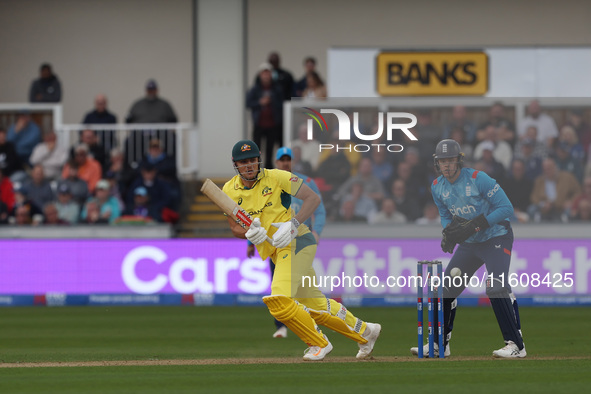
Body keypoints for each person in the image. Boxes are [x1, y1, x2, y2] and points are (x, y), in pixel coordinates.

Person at [224, 140, 380, 361]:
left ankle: (318, 343)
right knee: (315, 306)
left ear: (258, 160)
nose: (249, 166)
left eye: (252, 160)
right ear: (235, 164)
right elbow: (234, 226)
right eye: (243, 162)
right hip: (276, 251)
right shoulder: (229, 190)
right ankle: (365, 331)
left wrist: (294, 224)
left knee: (278, 299)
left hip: (298, 241)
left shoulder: (277, 176)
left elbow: (313, 198)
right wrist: (248, 233)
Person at [411, 139, 526, 358]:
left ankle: (516, 346)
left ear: (459, 161)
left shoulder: (477, 178)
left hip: (496, 237)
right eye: (442, 161)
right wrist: (449, 232)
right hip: (469, 244)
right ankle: (438, 344)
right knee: (445, 290)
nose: (446, 165)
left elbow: (506, 208)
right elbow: (446, 215)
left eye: (450, 160)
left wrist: (477, 224)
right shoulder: (437, 186)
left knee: (495, 287)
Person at [247, 146, 326, 339]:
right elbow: (257, 216)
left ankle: (312, 324)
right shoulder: (267, 183)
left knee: (304, 287)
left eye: (288, 160)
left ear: (293, 162)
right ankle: (281, 326)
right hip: (275, 243)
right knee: (279, 285)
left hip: (300, 241)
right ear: (276, 163)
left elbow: (319, 209)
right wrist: (249, 244)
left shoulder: (306, 182)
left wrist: (316, 232)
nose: (285, 163)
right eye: (282, 160)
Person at [246, 62, 284, 167]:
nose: (266, 76)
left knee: (270, 150)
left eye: (268, 73)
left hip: (272, 124)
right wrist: (260, 102)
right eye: (264, 73)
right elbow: (248, 103)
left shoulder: (277, 89)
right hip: (259, 124)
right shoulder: (255, 89)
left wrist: (272, 101)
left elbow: (282, 104)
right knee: (256, 149)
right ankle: (255, 168)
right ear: (260, 75)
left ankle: (269, 170)